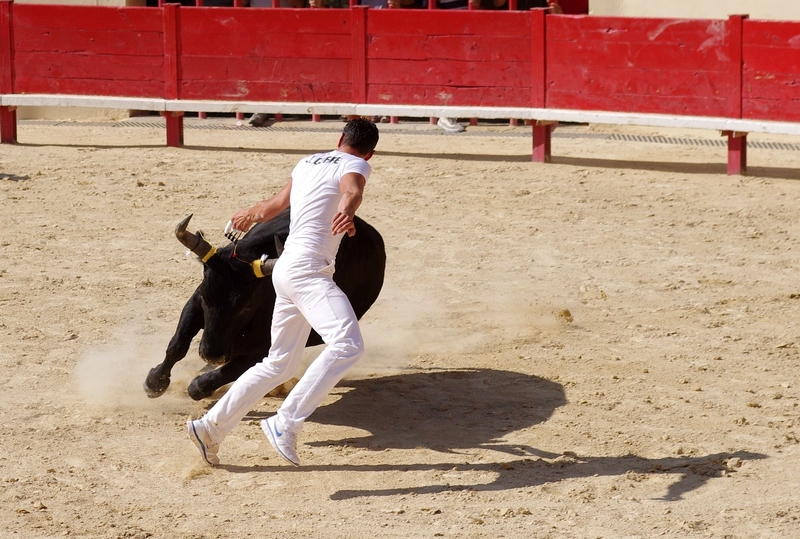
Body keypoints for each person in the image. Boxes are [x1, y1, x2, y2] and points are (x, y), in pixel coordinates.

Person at [187, 118, 379, 467]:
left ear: (339, 139)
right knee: (348, 344)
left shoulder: (306, 163)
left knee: (280, 362)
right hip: (308, 272)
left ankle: (210, 428)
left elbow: (273, 207)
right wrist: (347, 211)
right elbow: (352, 189)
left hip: (285, 270)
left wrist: (248, 214)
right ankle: (285, 422)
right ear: (371, 153)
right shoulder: (357, 164)